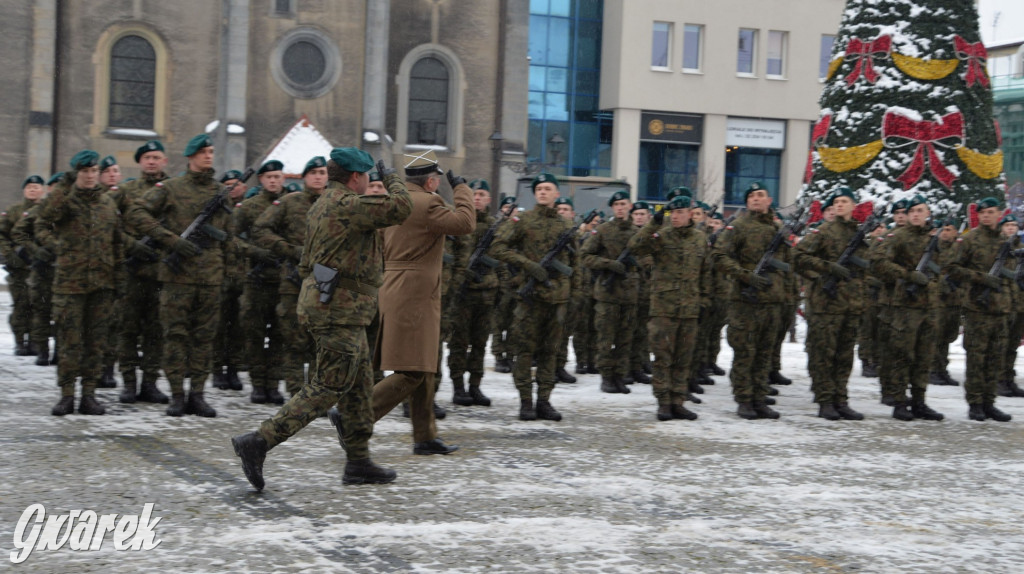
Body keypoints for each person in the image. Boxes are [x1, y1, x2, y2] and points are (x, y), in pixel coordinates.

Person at [231, 148, 413, 490]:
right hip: (338, 309)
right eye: (367, 178)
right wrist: (391, 178)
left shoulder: (322, 204)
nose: (369, 182)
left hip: (343, 307)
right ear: (356, 177)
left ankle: (358, 461)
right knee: (328, 385)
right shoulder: (345, 205)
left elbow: (308, 261)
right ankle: (258, 441)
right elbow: (401, 207)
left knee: (358, 386)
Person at [372, 150, 474, 454]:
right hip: (415, 292)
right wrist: (462, 189)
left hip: (397, 287)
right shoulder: (428, 202)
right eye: (438, 180)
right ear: (431, 181)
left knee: (424, 365)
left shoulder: (393, 201)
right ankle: (357, 413)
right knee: (413, 370)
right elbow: (466, 222)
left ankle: (425, 436)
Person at [125, 133, 231, 417]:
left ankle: (197, 393)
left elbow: (227, 234)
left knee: (204, 338)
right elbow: (135, 212)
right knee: (175, 335)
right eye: (204, 152)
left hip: (210, 275)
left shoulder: (220, 191)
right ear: (191, 156)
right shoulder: (170, 188)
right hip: (177, 276)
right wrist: (169, 239)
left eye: (211, 151)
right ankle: (176, 394)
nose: (209, 156)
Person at [41, 150, 122, 415]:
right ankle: (66, 395)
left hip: (101, 284)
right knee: (69, 341)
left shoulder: (107, 203)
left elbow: (116, 242)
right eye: (83, 172)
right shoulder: (65, 200)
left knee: (95, 342)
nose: (89, 176)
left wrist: (118, 279)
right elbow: (46, 217)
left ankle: (89, 394)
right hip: (70, 284)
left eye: (92, 171)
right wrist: (58, 248)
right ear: (76, 174)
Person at [492, 172, 576, 421]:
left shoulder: (566, 226)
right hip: (529, 298)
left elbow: (576, 263)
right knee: (525, 351)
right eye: (539, 188)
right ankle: (526, 402)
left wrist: (575, 295)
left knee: (550, 352)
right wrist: (528, 265)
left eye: (548, 188)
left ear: (557, 194)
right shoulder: (523, 220)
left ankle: (544, 401)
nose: (542, 192)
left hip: (557, 298)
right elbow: (497, 247)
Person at [712, 182, 791, 419]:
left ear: (769, 200)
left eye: (760, 195)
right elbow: (718, 255)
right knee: (745, 353)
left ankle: (759, 397)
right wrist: (744, 275)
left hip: (771, 301)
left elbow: (788, 263)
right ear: (747, 202)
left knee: (764, 353)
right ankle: (744, 400)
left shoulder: (777, 229)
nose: (756, 199)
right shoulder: (738, 226)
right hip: (745, 302)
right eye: (751, 196)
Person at [252, 156, 329, 396]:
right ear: (304, 176)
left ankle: (317, 395)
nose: (318, 176)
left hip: (327, 281)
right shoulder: (289, 202)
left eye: (322, 172)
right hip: (293, 281)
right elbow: (260, 229)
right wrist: (288, 250)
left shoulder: (338, 204)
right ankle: (296, 394)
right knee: (293, 338)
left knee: (322, 341)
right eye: (313, 172)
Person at [627, 195, 707, 421]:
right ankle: (663, 402)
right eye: (673, 213)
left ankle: (678, 401)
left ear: (690, 213)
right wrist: (654, 222)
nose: (677, 217)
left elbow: (706, 270)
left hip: (689, 308)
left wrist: (705, 299)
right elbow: (634, 246)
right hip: (663, 308)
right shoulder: (660, 236)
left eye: (681, 212)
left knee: (684, 358)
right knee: (663, 357)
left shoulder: (700, 239)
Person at [793, 187, 868, 420]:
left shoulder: (859, 234)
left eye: (845, 201)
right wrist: (827, 268)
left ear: (853, 206)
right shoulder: (823, 231)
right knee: (823, 354)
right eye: (836, 201)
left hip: (851, 303)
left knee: (844, 355)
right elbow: (798, 257)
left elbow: (867, 264)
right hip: (826, 305)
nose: (839, 205)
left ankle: (840, 399)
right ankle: (825, 400)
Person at [871, 195, 944, 421]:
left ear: (927, 213)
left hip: (929, 306)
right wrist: (907, 275)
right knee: (902, 355)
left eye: (919, 210)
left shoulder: (934, 239)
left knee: (924, 357)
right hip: (904, 307)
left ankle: (919, 402)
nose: (914, 214)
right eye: (911, 210)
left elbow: (945, 266)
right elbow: (878, 262)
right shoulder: (897, 237)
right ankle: (900, 402)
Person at [110, 140, 170, 404]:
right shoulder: (125, 191)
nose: (152, 161)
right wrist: (131, 245)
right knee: (128, 329)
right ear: (139, 161)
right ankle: (129, 383)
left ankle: (150, 383)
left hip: (163, 270)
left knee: (156, 330)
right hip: (132, 272)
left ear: (164, 161)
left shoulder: (173, 190)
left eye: (156, 157)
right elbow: (108, 224)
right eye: (147, 157)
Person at [946, 198, 1013, 421]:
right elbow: (952, 268)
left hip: (1000, 308)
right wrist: (981, 278)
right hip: (977, 308)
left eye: (990, 212)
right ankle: (975, 403)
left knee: (995, 358)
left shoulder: (1005, 240)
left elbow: (1011, 274)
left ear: (999, 214)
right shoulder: (970, 239)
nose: (986, 215)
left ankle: (989, 402)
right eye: (982, 212)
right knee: (977, 358)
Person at [446, 178, 501, 405]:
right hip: (461, 292)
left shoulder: (495, 226)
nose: (477, 198)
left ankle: (475, 385)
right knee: (459, 342)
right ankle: (458, 386)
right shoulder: (457, 221)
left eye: (481, 195)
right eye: (473, 194)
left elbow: (501, 256)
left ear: (488, 199)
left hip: (486, 291)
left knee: (479, 342)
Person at [581, 190, 640, 394]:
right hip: (608, 293)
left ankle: (620, 376)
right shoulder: (603, 230)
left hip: (630, 293)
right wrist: (609, 264)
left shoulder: (637, 232)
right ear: (613, 208)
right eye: (617, 205)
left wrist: (637, 265)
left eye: (624, 204)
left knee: (625, 338)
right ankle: (606, 377)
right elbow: (586, 256)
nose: (620, 208)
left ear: (629, 206)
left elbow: (647, 258)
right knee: (606, 338)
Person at [212, 169, 250, 391]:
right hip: (221, 275)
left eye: (236, 184)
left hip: (245, 277)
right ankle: (217, 370)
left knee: (238, 329)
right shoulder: (217, 211)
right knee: (217, 328)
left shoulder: (251, 208)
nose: (233, 188)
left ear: (244, 188)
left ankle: (234, 370)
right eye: (228, 184)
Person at [0, 175, 46, 356]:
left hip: (40, 267)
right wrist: (10, 255)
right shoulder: (14, 211)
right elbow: (2, 235)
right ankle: (20, 341)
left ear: (42, 190)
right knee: (20, 305)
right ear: (24, 191)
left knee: (38, 306)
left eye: (36, 187)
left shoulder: (46, 211)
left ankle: (35, 341)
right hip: (18, 268)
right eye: (29, 187)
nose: (33, 190)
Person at [929, 219, 963, 387]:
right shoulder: (933, 249)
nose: (946, 232)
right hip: (938, 300)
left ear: (956, 232)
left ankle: (942, 369)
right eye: (944, 229)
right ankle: (933, 369)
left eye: (950, 229)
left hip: (955, 300)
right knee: (937, 336)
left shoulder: (960, 250)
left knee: (948, 337)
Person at [491, 196, 519, 374]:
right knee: (498, 323)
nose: (509, 210)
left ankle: (510, 355)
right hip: (499, 281)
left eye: (512, 208)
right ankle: (499, 356)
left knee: (514, 323)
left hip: (516, 281)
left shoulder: (519, 229)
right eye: (506, 207)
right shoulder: (496, 228)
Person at [998, 215, 1024, 397]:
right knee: (1001, 344)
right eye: (1007, 225)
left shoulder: (1020, 249)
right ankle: (999, 380)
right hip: (1002, 302)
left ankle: (1008, 378)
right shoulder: (999, 247)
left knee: (1013, 344)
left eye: (1014, 225)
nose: (1011, 228)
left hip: (1019, 303)